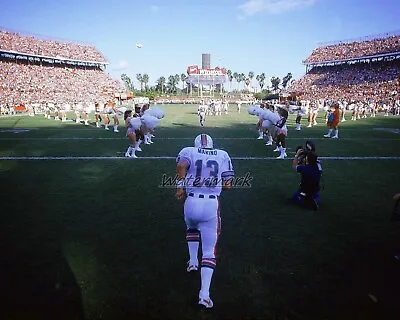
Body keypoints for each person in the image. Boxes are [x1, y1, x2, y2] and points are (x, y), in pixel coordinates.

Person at [175, 134, 234, 309]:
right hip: (210, 203)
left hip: (191, 201)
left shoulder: (189, 151)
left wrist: (179, 188)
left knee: (191, 228)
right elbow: (228, 184)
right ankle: (204, 295)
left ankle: (193, 262)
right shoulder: (222, 154)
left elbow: (180, 166)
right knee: (209, 251)